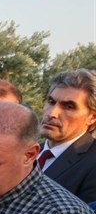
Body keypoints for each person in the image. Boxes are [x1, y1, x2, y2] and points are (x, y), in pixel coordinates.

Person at [39, 69, 96, 203]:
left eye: (69, 107)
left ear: (92, 118)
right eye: (51, 102)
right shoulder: (25, 153)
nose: (52, 113)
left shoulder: (93, 164)